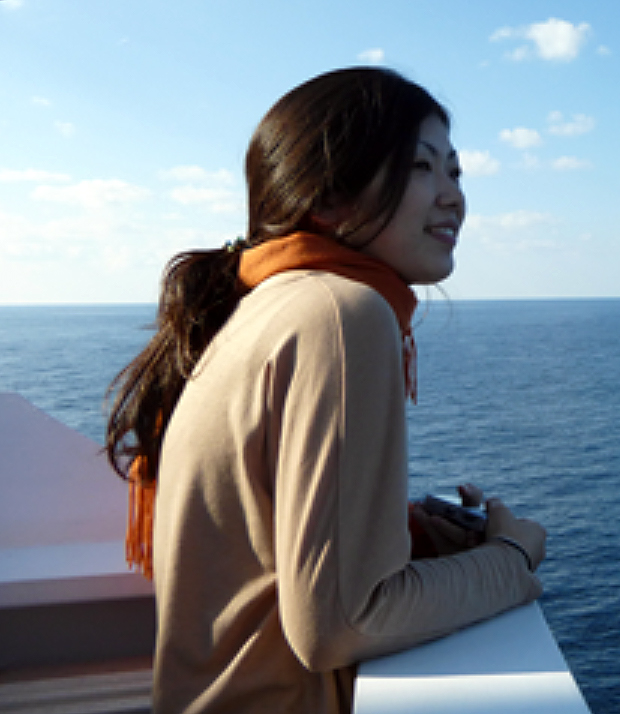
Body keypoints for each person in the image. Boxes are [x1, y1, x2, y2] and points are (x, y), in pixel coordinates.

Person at [104, 67, 547, 713]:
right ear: (330, 197)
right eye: (422, 168)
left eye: (455, 171)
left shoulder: (266, 305)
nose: (453, 196)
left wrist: (407, 530)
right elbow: (344, 622)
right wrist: (512, 555)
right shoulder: (342, 314)